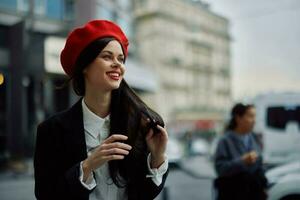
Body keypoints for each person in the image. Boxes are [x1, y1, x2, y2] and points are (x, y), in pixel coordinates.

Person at [34, 20, 169, 200]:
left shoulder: (140, 125)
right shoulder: (51, 130)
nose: (117, 64)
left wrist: (157, 158)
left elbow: (144, 194)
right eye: (107, 57)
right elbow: (45, 195)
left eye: (120, 59)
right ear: (84, 66)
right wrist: (87, 166)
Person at [213, 103, 268, 200]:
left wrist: (264, 186)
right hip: (233, 193)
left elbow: (260, 166)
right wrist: (242, 161)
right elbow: (220, 169)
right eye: (250, 116)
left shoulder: (254, 138)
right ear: (238, 118)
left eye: (254, 117)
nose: (254, 121)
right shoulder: (225, 140)